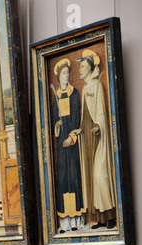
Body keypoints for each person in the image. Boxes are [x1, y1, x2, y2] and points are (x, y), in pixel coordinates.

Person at [74, 49, 116, 229]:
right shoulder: (85, 89)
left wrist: (98, 126)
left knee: (101, 176)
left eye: (83, 67)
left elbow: (100, 111)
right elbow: (85, 115)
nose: (80, 70)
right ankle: (98, 218)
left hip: (98, 138)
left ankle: (111, 216)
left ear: (90, 68)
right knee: (91, 178)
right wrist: (80, 129)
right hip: (88, 139)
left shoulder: (97, 86)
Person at [50, 58, 86, 233]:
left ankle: (76, 221)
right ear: (59, 77)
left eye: (68, 73)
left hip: (71, 143)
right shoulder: (55, 96)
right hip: (60, 143)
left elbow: (75, 119)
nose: (67, 76)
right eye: (64, 74)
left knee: (73, 179)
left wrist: (71, 137)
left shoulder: (74, 94)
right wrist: (55, 125)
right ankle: (64, 221)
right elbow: (53, 120)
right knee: (63, 180)